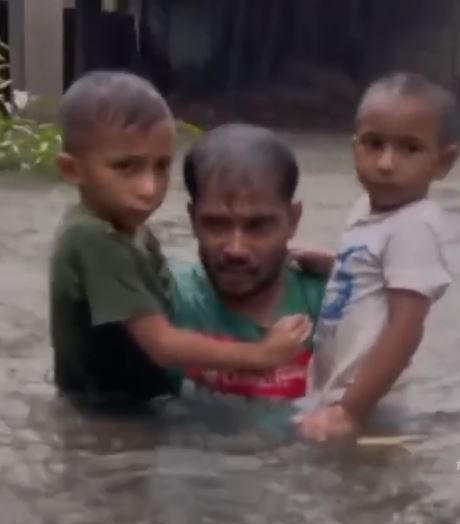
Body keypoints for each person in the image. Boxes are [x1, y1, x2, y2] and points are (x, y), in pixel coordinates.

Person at [49, 71, 310, 410]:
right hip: (108, 412)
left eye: (160, 167)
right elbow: (163, 345)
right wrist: (261, 354)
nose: (150, 188)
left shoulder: (127, 226)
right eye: (126, 167)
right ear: (72, 171)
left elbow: (163, 290)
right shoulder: (95, 237)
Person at [297, 73, 459, 441]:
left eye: (409, 148)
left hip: (370, 402)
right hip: (341, 394)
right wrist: (334, 263)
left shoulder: (415, 226)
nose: (386, 163)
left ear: (443, 162)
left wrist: (352, 411)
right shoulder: (368, 209)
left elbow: (406, 328)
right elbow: (373, 273)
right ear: (355, 147)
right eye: (374, 144)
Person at [166, 124, 327, 416]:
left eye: (258, 226)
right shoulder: (166, 299)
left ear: (293, 220)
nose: (236, 249)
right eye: (216, 224)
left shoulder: (329, 301)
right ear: (192, 220)